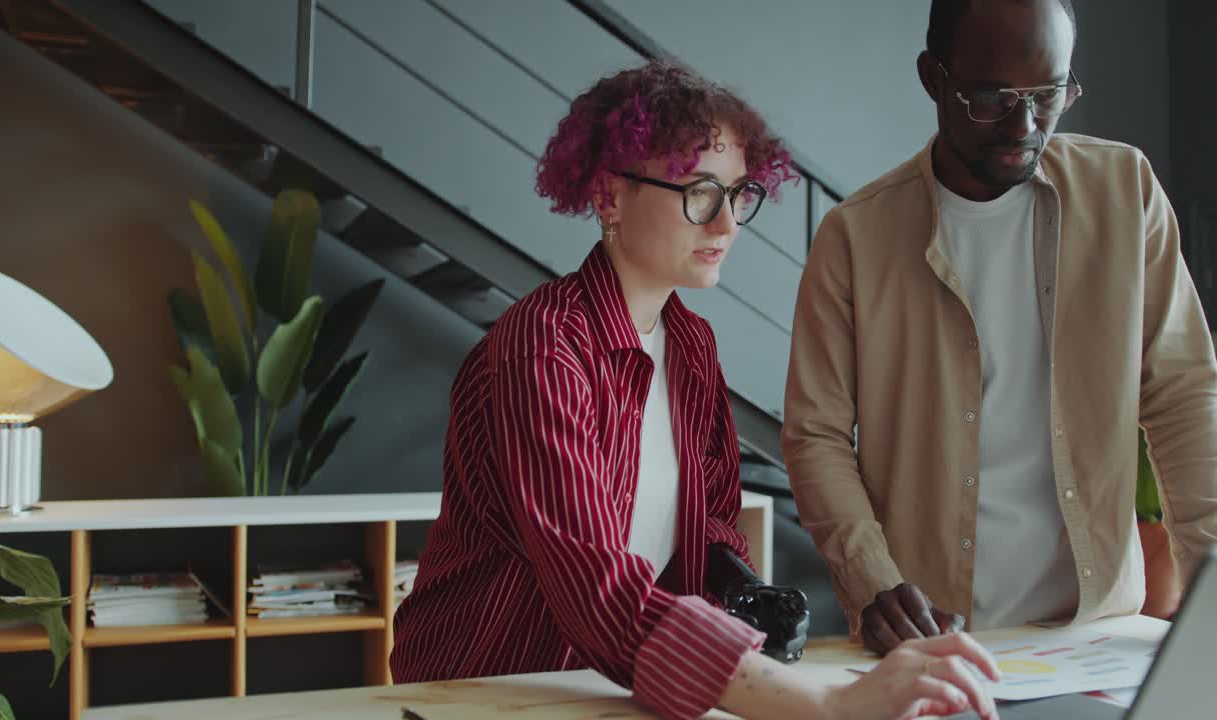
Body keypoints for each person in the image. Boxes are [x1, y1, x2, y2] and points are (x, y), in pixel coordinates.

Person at [390, 60, 1000, 720]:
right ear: (608, 196)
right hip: (478, 692)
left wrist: (741, 588)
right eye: (700, 194)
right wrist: (828, 702)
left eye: (737, 195)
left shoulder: (690, 346)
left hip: (606, 693)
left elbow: (706, 523)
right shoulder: (542, 348)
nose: (727, 225)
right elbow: (600, 591)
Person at [783, 0, 1217, 656]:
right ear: (933, 79)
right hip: (929, 646)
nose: (1025, 125)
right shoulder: (855, 237)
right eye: (992, 98)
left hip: (1094, 639)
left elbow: (1182, 401)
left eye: (1048, 93)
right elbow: (816, 436)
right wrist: (873, 582)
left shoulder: (1124, 193)